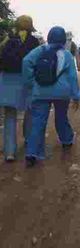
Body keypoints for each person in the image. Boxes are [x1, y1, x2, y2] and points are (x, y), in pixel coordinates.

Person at [22, 26, 80, 167]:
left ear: (49, 37)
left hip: (40, 91)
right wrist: (76, 95)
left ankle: (32, 153)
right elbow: (72, 77)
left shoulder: (40, 50)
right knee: (61, 117)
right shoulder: (67, 54)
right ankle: (67, 140)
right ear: (63, 39)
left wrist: (30, 83)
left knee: (38, 121)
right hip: (62, 93)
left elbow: (26, 62)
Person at [0, 15, 40, 162]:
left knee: (10, 116)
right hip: (26, 80)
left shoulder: (7, 40)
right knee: (29, 111)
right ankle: (29, 141)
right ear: (30, 28)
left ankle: (9, 151)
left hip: (7, 81)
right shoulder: (34, 42)